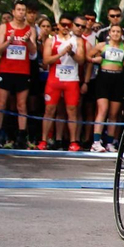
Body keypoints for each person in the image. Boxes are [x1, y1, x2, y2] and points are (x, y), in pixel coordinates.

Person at [0, 1, 38, 149]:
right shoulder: (4, 27)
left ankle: (22, 136)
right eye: (18, 10)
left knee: (21, 105)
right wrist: (9, 41)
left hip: (22, 71)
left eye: (23, 10)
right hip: (6, 70)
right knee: (1, 103)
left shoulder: (30, 29)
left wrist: (27, 41)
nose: (21, 13)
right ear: (13, 11)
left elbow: (33, 51)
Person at [41, 15, 88, 151]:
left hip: (71, 80)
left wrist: (71, 53)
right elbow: (46, 60)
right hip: (54, 80)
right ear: (58, 25)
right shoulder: (51, 41)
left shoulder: (77, 41)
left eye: (68, 24)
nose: (65, 27)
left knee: (72, 110)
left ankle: (73, 141)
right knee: (50, 110)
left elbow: (81, 61)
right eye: (63, 24)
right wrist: (60, 54)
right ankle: (44, 140)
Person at [87, 22, 124, 152]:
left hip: (118, 78)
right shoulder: (101, 46)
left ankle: (110, 142)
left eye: (118, 31)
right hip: (104, 77)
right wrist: (96, 60)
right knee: (102, 109)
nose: (116, 34)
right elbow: (88, 56)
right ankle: (96, 142)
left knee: (114, 113)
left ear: (121, 34)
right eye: (113, 31)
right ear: (109, 33)